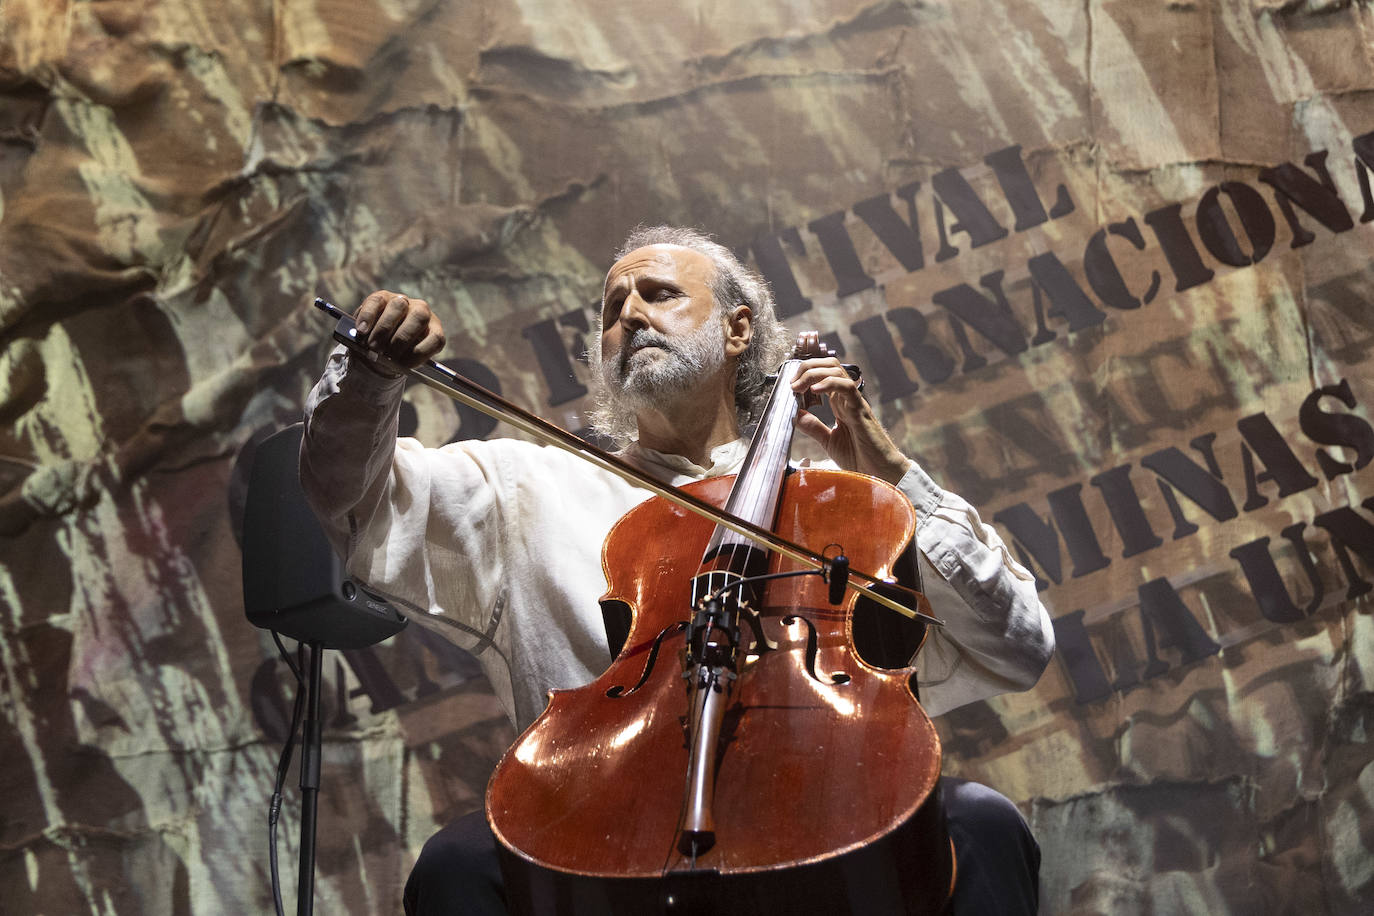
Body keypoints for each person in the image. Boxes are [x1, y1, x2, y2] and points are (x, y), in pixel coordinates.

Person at [301, 226, 1056, 914]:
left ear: (738, 330)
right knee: (457, 863)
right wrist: (368, 380)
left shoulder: (842, 502)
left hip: (825, 806)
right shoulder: (526, 489)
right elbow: (349, 500)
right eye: (610, 309)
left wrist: (897, 482)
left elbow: (1018, 647)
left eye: (658, 294)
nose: (628, 314)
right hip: (604, 840)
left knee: (981, 822)